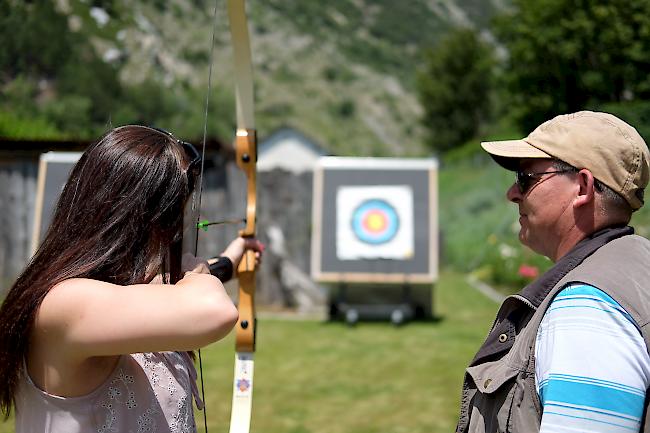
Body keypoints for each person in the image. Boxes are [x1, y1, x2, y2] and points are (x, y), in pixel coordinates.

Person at [0, 125, 263, 433]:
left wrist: (231, 261)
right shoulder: (63, 303)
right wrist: (199, 274)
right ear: (143, 220)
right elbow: (216, 311)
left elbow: (169, 286)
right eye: (174, 220)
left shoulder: (128, 294)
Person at [456, 111, 650, 433]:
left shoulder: (588, 311)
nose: (512, 193)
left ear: (583, 187)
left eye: (526, 179)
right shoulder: (633, 265)